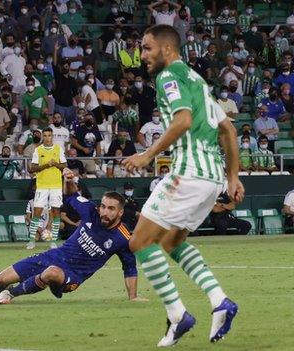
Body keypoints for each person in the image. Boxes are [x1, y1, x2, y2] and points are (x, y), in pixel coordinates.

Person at [122, 25, 242, 347]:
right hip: (212, 178)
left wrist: (147, 154)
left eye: (147, 48)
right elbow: (228, 130)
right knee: (170, 244)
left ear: (166, 49)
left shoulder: (168, 77)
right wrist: (233, 176)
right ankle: (220, 301)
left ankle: (178, 315)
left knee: (139, 243)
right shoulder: (197, 81)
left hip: (188, 173)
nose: (142, 55)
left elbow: (182, 120)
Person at [0, 173, 139, 304]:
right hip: (53, 256)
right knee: (0, 279)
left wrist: (133, 297)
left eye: (111, 208)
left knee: (52, 273)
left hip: (72, 274)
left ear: (120, 213)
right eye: (103, 206)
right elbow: (71, 196)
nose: (104, 212)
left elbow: (130, 268)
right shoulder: (91, 210)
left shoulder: (123, 238)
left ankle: (11, 293)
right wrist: (69, 181)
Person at [27, 128, 67, 250]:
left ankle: (53, 241)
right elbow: (32, 168)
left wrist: (55, 164)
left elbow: (64, 165)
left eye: (49, 135)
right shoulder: (38, 150)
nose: (47, 138)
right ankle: (31, 240)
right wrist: (46, 165)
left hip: (56, 185)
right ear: (43, 137)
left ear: (52, 136)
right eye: (45, 135)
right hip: (42, 185)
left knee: (56, 213)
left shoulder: (58, 149)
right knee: (37, 212)